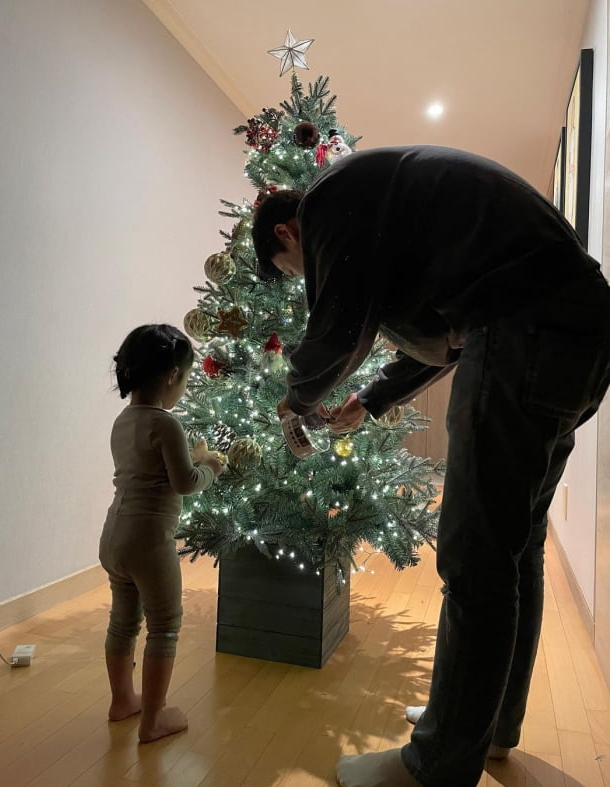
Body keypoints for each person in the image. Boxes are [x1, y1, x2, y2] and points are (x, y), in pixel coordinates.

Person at [251, 146, 610, 787]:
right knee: (514, 545)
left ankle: (437, 764)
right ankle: (486, 726)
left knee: (475, 555)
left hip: (522, 332)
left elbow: (338, 326)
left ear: (287, 232)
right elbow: (449, 332)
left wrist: (295, 401)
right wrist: (372, 399)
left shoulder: (329, 199)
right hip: (581, 336)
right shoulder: (389, 197)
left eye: (293, 266)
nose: (308, 273)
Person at [99, 324, 223, 743]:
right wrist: (211, 466)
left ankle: (122, 701)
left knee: (123, 621)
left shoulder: (122, 419)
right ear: (172, 375)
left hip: (114, 533)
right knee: (165, 624)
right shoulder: (166, 424)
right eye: (186, 379)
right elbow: (184, 481)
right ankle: (153, 720)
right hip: (149, 541)